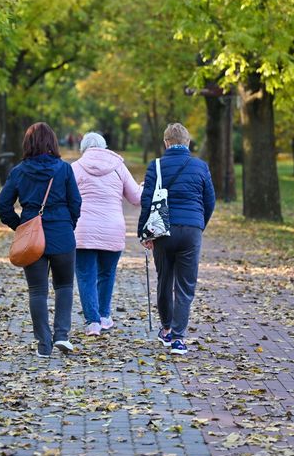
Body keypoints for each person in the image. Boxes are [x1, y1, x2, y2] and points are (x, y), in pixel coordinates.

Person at [0, 122, 82, 358]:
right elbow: (76, 203)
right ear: (52, 143)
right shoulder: (64, 170)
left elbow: (3, 206)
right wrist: (68, 224)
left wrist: (21, 227)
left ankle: (44, 345)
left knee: (37, 291)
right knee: (64, 286)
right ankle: (62, 335)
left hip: (32, 240)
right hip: (62, 234)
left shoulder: (19, 171)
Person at [137, 123, 215, 355]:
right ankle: (179, 339)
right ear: (188, 142)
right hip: (191, 230)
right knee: (185, 285)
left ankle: (166, 329)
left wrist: (144, 233)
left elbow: (147, 202)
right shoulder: (201, 166)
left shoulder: (156, 166)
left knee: (165, 280)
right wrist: (199, 225)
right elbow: (210, 201)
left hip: (163, 230)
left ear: (166, 143)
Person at [72, 132, 142, 336]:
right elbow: (136, 198)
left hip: (83, 229)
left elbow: (64, 197)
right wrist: (145, 186)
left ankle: (92, 322)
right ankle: (104, 316)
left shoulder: (75, 168)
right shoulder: (118, 167)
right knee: (107, 273)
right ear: (104, 147)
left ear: (83, 149)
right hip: (113, 228)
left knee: (85, 276)